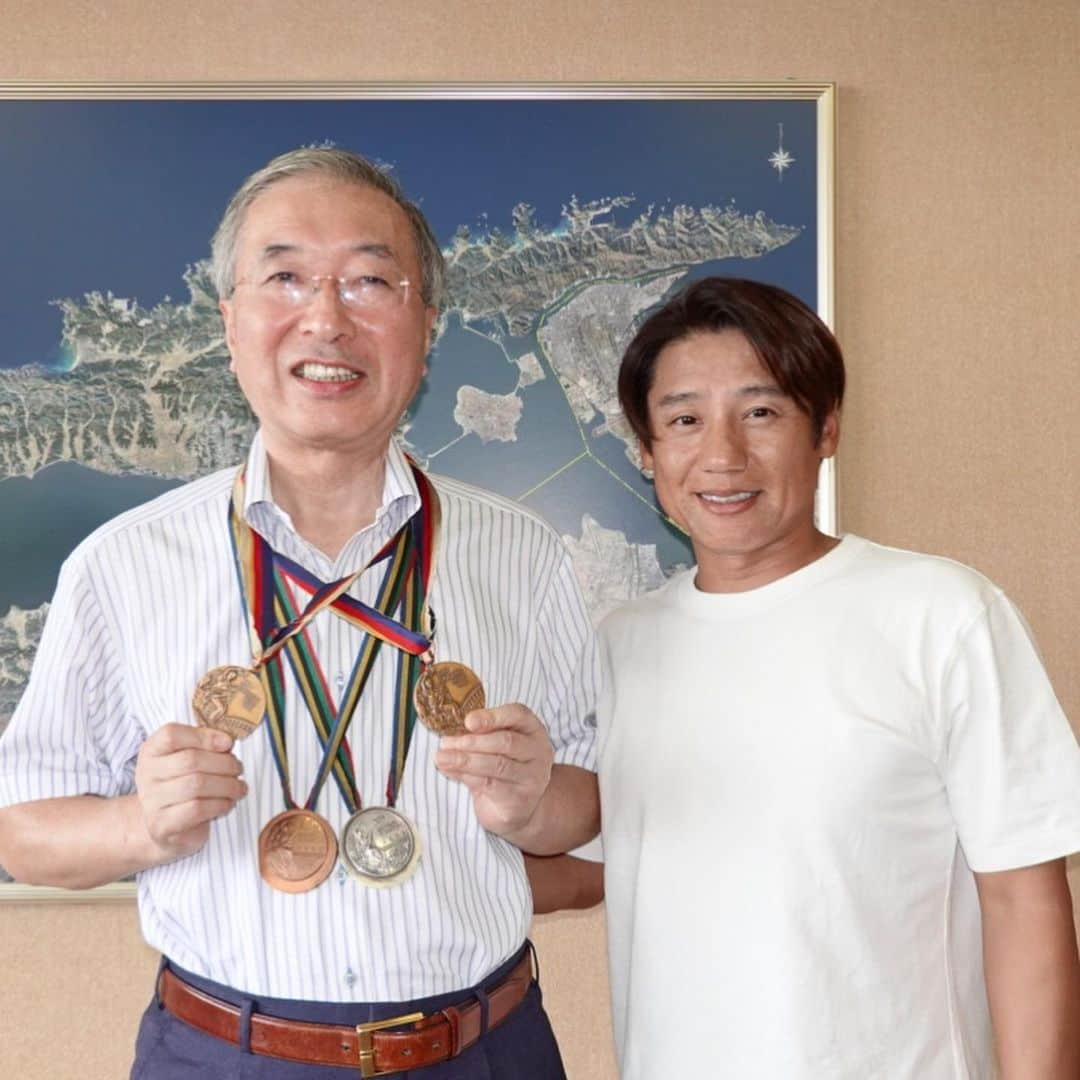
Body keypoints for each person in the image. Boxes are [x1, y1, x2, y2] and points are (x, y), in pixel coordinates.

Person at [0, 147, 600, 1079]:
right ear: (231, 319)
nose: (326, 317)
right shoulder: (122, 564)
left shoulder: (523, 556)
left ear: (426, 325)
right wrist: (141, 827)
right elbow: (22, 830)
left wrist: (535, 802)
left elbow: (591, 807)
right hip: (224, 1055)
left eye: (370, 280)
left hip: (487, 1050)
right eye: (284, 277)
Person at [595, 276, 1080, 1077]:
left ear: (825, 429)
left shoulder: (942, 613)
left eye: (761, 413)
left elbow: (1025, 899)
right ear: (648, 452)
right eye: (684, 420)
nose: (722, 455)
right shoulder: (619, 645)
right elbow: (593, 865)